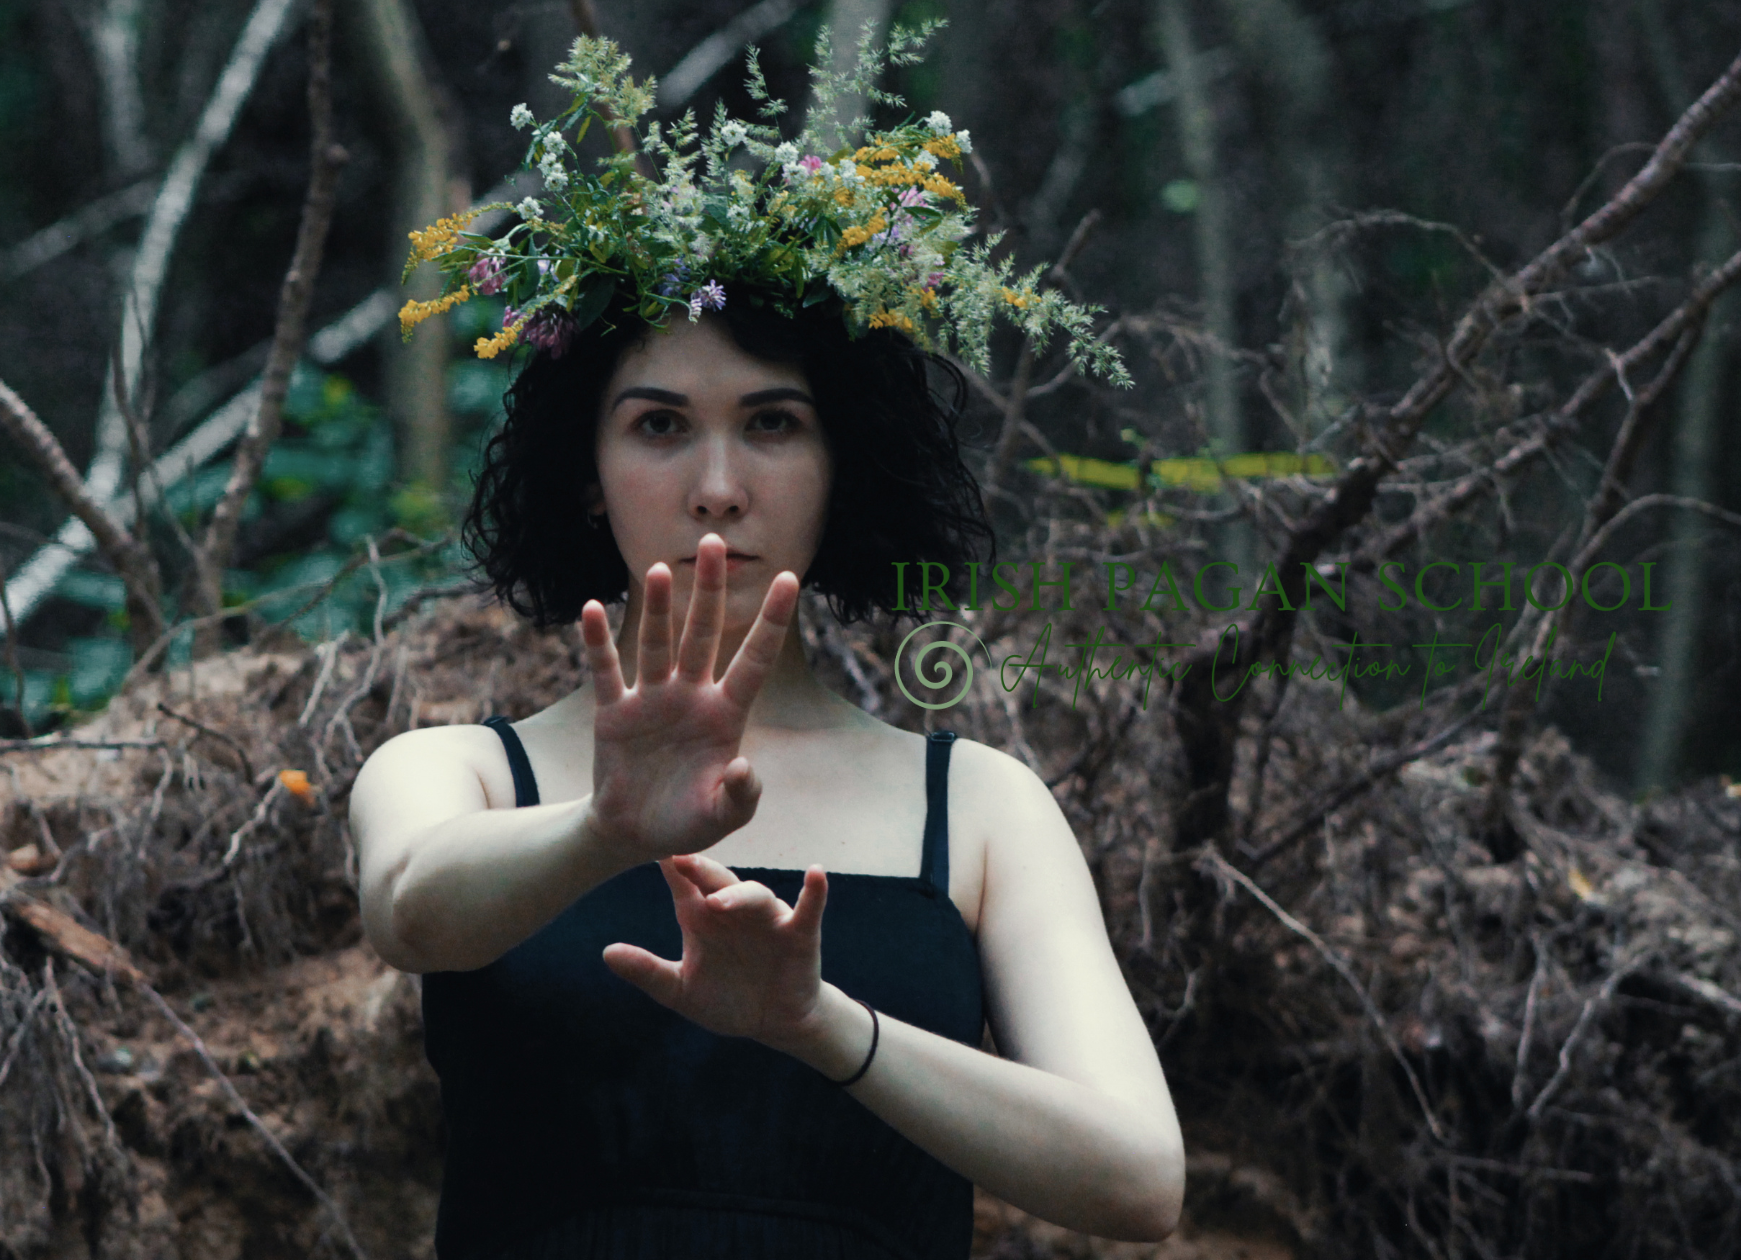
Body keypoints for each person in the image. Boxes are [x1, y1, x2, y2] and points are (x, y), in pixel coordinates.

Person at [349, 30, 1179, 1259]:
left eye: (773, 424)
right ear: (586, 475)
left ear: (846, 470)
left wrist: (815, 1025)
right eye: (659, 425)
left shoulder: (981, 810)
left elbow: (1137, 1181)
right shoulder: (456, 776)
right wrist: (604, 830)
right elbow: (413, 916)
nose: (718, 487)